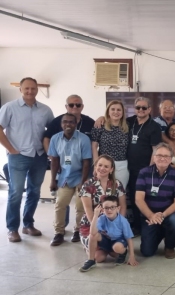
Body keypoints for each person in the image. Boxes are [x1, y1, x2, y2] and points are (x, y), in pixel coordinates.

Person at [0, 77, 54, 242]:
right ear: (21, 89)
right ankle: (12, 229)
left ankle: (28, 224)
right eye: (27, 88)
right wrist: (10, 149)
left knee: (34, 192)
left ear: (37, 89)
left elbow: (53, 131)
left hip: (39, 156)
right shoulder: (9, 108)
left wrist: (50, 152)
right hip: (18, 156)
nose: (30, 91)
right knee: (16, 193)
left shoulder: (45, 110)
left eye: (33, 88)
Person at [48, 113, 92, 245]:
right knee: (60, 204)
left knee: (81, 206)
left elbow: (86, 162)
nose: (68, 124)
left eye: (71, 122)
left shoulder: (83, 139)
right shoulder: (55, 138)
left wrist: (83, 182)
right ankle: (59, 233)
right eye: (65, 122)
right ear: (61, 124)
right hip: (64, 177)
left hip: (81, 176)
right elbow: (54, 161)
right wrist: (52, 180)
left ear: (76, 124)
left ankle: (78, 230)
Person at [135, 143, 175, 259]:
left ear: (171, 159)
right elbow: (138, 199)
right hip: (149, 215)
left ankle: (169, 246)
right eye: (159, 155)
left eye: (166, 156)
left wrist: (162, 215)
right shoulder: (144, 173)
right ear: (154, 157)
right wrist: (151, 216)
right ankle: (160, 232)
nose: (162, 158)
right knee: (147, 252)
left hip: (168, 213)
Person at [126, 97, 163, 236]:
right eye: (138, 107)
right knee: (130, 197)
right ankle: (135, 225)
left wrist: (149, 170)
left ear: (149, 109)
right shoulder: (129, 122)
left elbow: (155, 150)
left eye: (144, 108)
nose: (140, 110)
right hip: (126, 167)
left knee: (141, 198)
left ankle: (143, 226)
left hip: (142, 170)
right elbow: (111, 118)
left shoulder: (154, 126)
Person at [79, 155, 128, 257]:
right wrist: (98, 227)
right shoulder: (87, 185)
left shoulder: (117, 184)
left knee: (116, 253)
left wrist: (120, 224)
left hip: (112, 223)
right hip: (92, 224)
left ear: (111, 169)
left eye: (106, 166)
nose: (102, 168)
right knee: (99, 257)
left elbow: (123, 206)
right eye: (100, 165)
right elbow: (88, 209)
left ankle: (105, 247)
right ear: (95, 166)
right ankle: (92, 246)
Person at [79, 196, 139, 272]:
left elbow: (129, 239)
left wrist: (132, 256)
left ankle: (123, 253)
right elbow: (93, 233)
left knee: (117, 248)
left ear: (118, 208)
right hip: (106, 241)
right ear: (102, 210)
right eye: (106, 208)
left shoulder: (123, 221)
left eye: (112, 207)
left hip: (118, 241)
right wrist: (95, 215)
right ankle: (91, 260)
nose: (109, 210)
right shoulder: (101, 218)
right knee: (98, 258)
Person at [91, 100, 130, 188]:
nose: (116, 112)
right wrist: (96, 165)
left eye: (119, 110)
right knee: (103, 192)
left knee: (120, 192)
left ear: (123, 112)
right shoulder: (100, 126)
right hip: (104, 165)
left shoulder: (128, 126)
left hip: (122, 165)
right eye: (113, 109)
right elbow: (94, 146)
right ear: (108, 111)